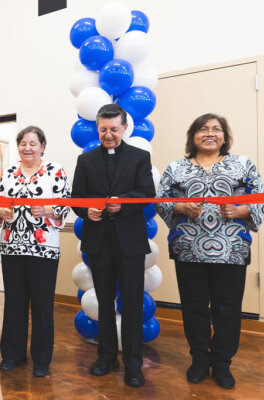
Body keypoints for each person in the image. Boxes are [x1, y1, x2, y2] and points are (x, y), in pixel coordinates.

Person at [154, 113, 264, 389]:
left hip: (232, 250)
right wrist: (179, 207)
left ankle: (223, 363)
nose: (210, 133)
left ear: (225, 137)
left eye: (217, 129)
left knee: (227, 309)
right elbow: (160, 201)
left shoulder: (242, 164)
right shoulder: (176, 168)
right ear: (193, 136)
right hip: (188, 249)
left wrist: (240, 210)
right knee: (193, 308)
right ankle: (199, 360)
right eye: (203, 129)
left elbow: (260, 197)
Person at [71, 104, 155, 387]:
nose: (109, 135)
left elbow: (146, 194)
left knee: (131, 304)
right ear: (98, 129)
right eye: (103, 130)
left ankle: (133, 364)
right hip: (99, 243)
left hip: (130, 242)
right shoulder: (86, 160)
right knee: (105, 303)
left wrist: (124, 204)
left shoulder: (140, 157)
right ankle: (106, 357)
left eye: (114, 129)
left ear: (124, 128)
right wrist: (87, 212)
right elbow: (77, 198)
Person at [0, 126, 71, 377]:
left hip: (43, 249)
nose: (27, 148)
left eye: (33, 143)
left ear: (43, 146)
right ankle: (12, 355)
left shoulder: (55, 170)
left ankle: (41, 359)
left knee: (41, 305)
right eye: (23, 143)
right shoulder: (7, 173)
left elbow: (66, 204)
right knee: (14, 304)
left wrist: (48, 211)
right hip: (11, 246)